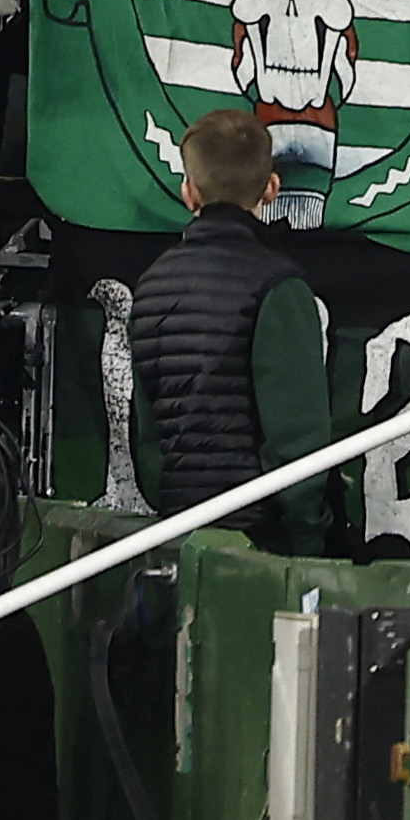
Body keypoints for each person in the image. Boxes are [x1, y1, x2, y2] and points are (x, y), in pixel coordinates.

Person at [128, 100, 337, 536]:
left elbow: (147, 441)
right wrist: (307, 539)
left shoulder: (150, 286)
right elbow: (298, 445)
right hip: (263, 548)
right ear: (272, 187)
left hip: (177, 537)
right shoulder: (280, 287)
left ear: (188, 192)